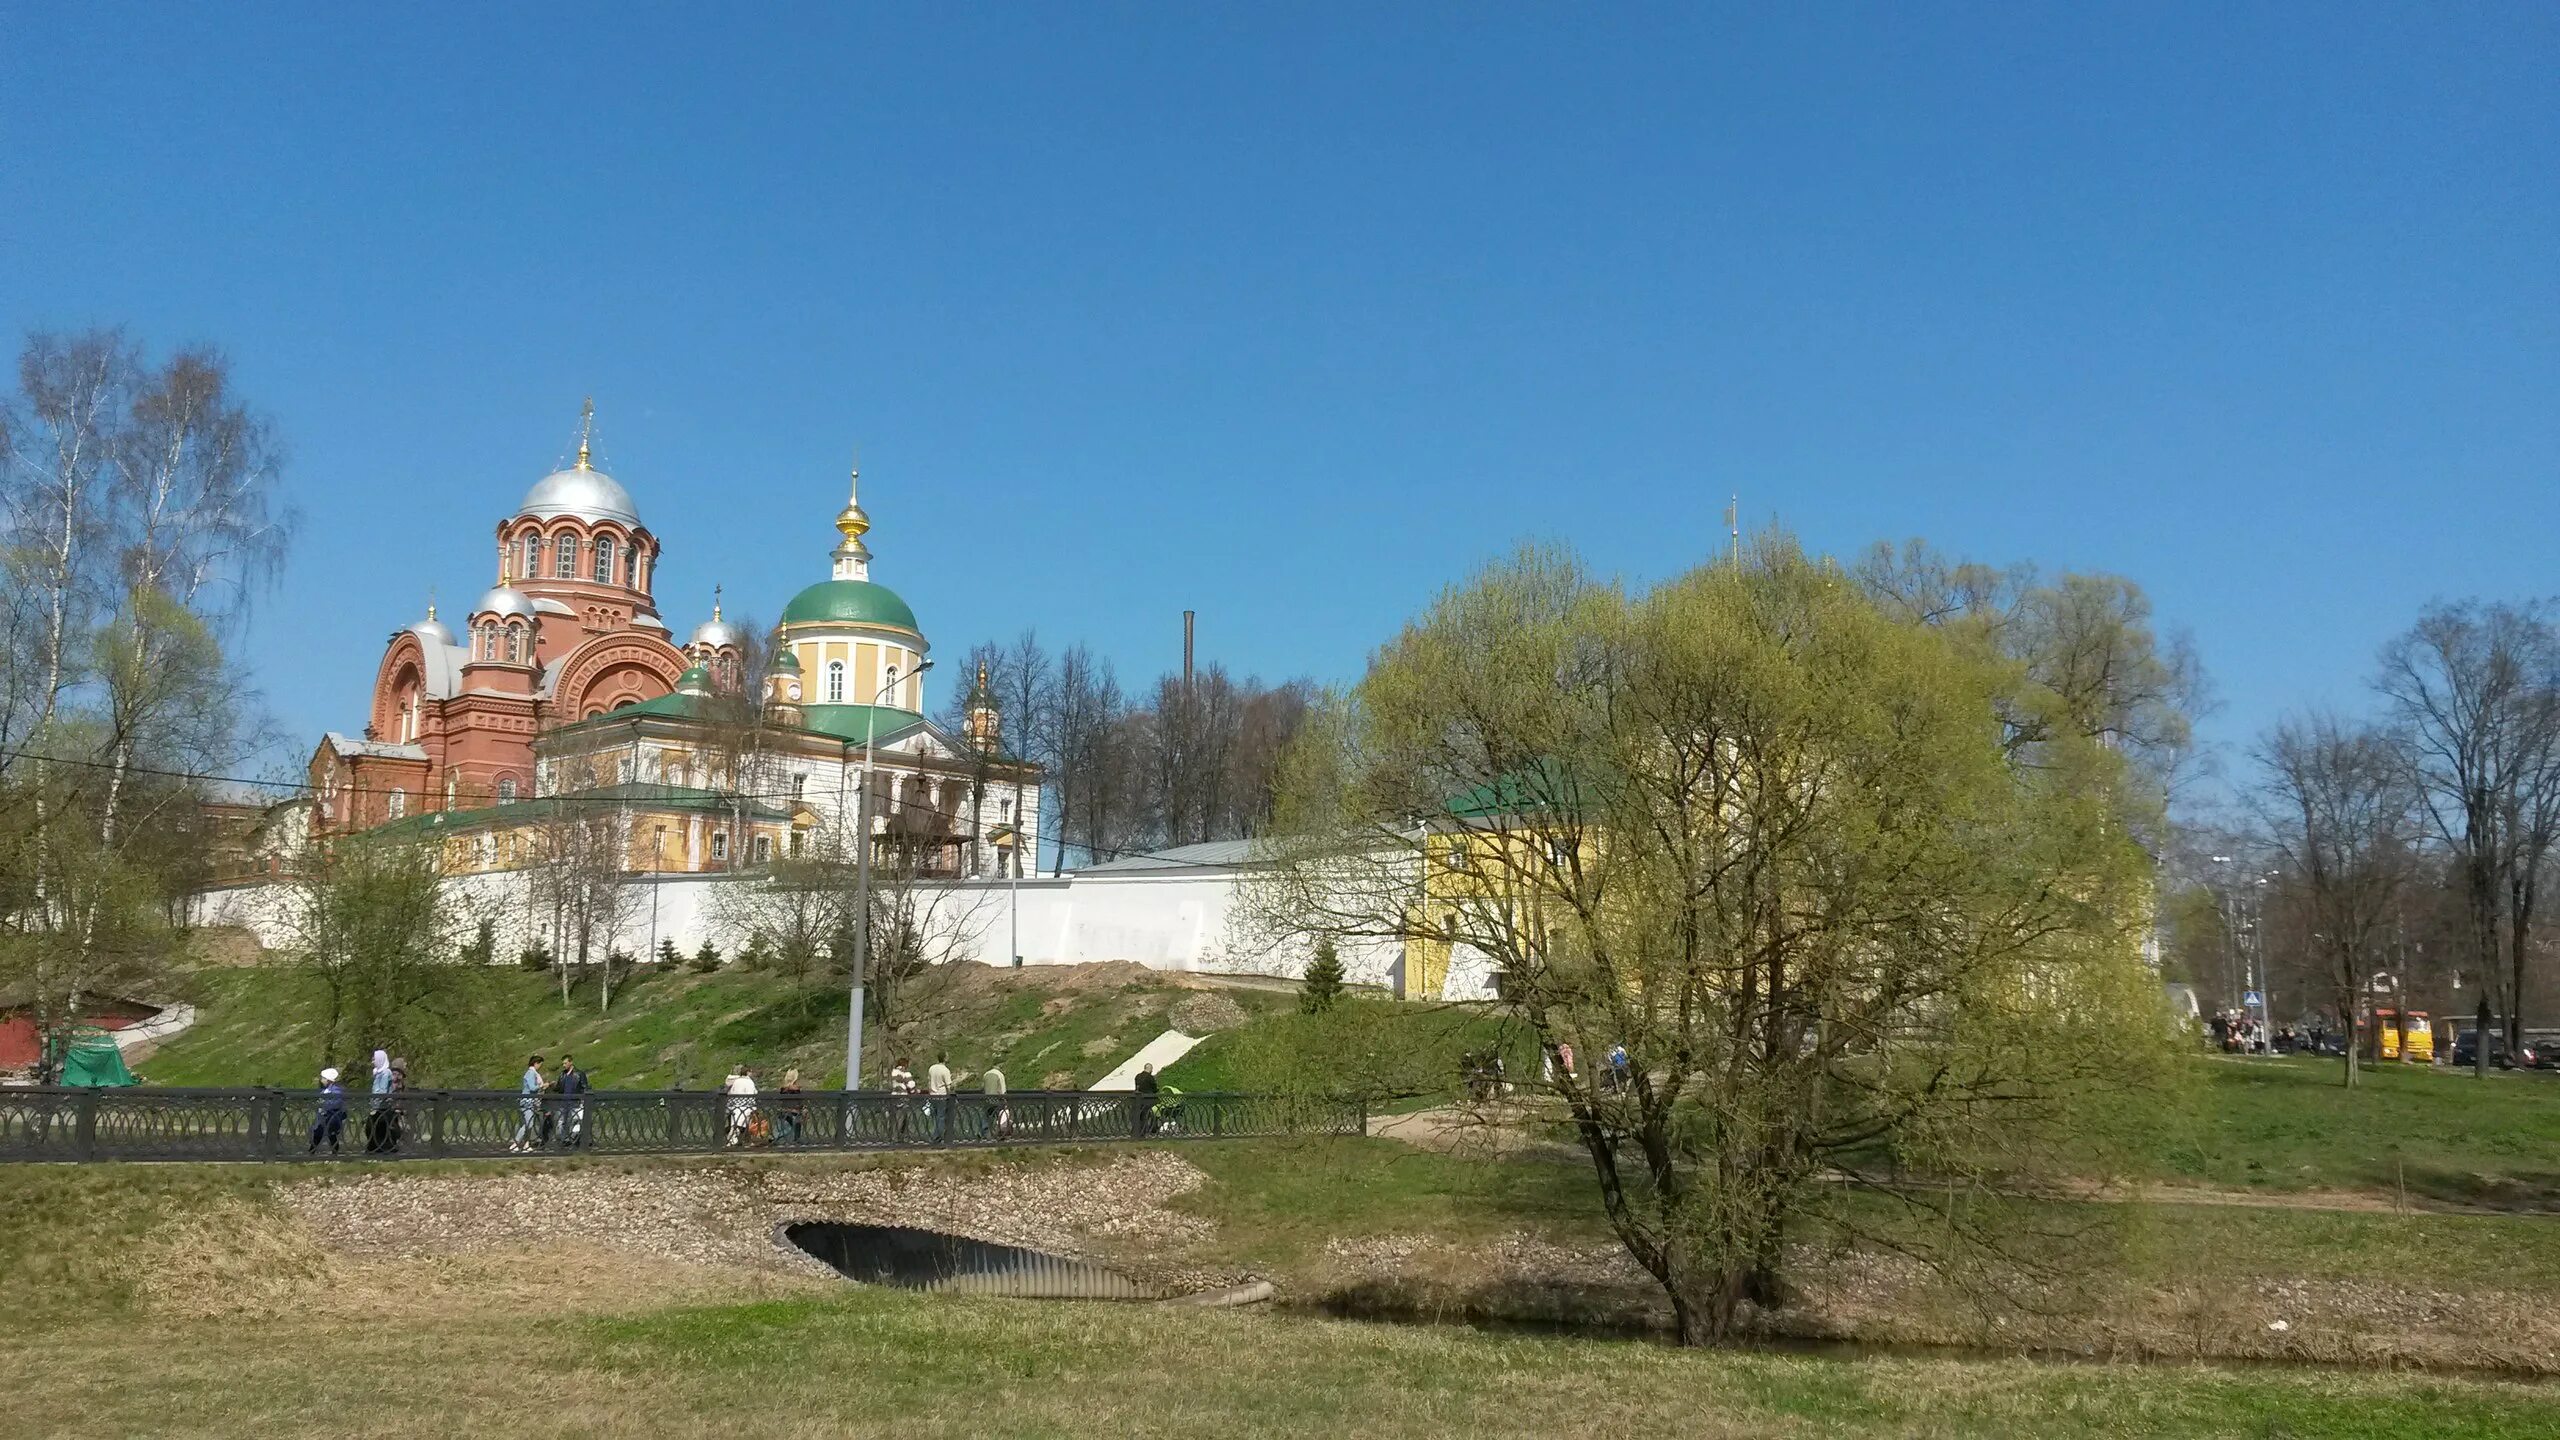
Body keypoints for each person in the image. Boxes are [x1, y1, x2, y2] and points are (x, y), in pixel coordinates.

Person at [308, 1067, 348, 1156]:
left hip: (331, 1118)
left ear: (328, 1080)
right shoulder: (325, 1090)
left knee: (332, 1136)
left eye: (323, 1078)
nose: (321, 1080)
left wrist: (324, 1103)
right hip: (323, 1118)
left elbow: (336, 1103)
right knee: (317, 1134)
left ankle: (334, 1153)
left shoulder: (336, 1091)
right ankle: (311, 1152)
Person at [511, 1055, 546, 1153]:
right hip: (527, 1101)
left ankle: (526, 1144)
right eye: (540, 1065)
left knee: (529, 1122)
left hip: (530, 1101)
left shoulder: (532, 1073)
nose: (540, 1067)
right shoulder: (531, 1073)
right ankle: (515, 1143)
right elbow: (532, 1087)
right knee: (528, 1123)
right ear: (536, 1063)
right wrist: (542, 1086)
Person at [363, 1049, 396, 1154]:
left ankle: (383, 1149)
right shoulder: (378, 1072)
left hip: (383, 1106)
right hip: (376, 1105)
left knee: (378, 1127)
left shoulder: (386, 1073)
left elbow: (382, 1090)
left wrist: (376, 1102)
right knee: (371, 1127)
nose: (372, 1062)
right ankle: (374, 1149)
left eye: (374, 1059)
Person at [555, 1055, 590, 1150]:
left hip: (574, 1101)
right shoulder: (562, 1074)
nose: (564, 1065)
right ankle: (564, 1141)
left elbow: (584, 1087)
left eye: (565, 1063)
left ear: (571, 1062)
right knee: (562, 1122)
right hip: (563, 1102)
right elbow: (558, 1087)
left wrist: (583, 1100)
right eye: (563, 1063)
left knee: (573, 1122)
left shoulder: (579, 1074)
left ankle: (573, 1141)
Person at [721, 1064, 758, 1147]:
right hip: (746, 1106)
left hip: (736, 1106)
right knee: (742, 1125)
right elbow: (751, 1094)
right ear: (748, 1072)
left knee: (735, 1124)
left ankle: (733, 1140)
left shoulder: (737, 1081)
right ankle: (741, 1141)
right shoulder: (749, 1082)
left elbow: (733, 1092)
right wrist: (753, 1108)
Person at [927, 1053, 954, 1143]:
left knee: (935, 1117)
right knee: (941, 1118)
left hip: (933, 1096)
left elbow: (929, 1082)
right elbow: (948, 1086)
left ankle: (935, 1135)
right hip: (942, 1096)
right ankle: (937, 1137)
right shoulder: (945, 1070)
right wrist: (951, 1095)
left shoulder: (932, 1068)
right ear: (945, 1058)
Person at [775, 1067, 805, 1146]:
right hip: (794, 1113)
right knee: (798, 1119)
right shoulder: (796, 1090)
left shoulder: (782, 1089)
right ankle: (796, 1140)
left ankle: (780, 1139)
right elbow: (799, 1103)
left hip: (783, 1113)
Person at [981, 1064, 1009, 1141]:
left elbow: (983, 1088)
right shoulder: (1000, 1075)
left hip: (987, 1099)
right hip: (997, 1100)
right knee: (1000, 1116)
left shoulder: (986, 1074)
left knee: (986, 1116)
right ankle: (1000, 1133)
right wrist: (1005, 1100)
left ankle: (985, 1134)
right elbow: (1002, 1090)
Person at [1133, 1062, 1160, 1137]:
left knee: (1141, 1115)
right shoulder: (1150, 1077)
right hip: (1149, 1100)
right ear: (1150, 1069)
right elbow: (1154, 1089)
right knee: (1153, 1112)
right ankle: (1152, 1128)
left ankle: (1140, 1131)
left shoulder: (1137, 1076)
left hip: (1139, 1100)